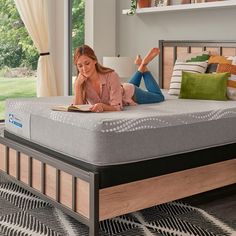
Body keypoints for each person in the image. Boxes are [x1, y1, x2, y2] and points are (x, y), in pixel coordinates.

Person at [73, 45, 165, 112]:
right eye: (80, 66)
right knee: (126, 86)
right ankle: (140, 66)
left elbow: (117, 107)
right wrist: (77, 86)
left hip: (129, 94)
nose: (84, 69)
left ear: (95, 61)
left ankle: (143, 64)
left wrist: (102, 106)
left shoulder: (112, 75)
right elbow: (78, 108)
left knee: (159, 97)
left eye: (87, 63)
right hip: (120, 89)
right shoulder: (81, 82)